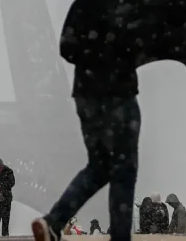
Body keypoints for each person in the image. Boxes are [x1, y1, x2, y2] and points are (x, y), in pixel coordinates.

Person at [31, 18, 141, 241]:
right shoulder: (131, 5)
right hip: (119, 94)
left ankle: (54, 221)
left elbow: (67, 50)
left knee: (99, 166)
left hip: (86, 95)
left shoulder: (85, 5)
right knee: (124, 169)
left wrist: (93, 53)